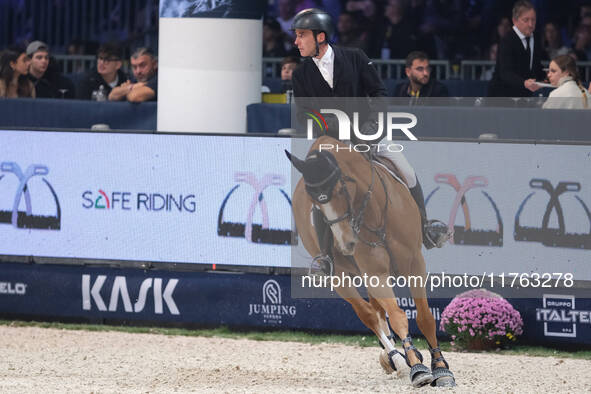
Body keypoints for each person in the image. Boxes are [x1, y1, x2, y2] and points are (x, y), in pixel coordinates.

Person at [291, 8, 449, 270]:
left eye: (301, 35)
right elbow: (304, 115)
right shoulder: (300, 75)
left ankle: (426, 228)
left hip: (367, 131)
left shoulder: (355, 57)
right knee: (321, 191)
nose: (297, 42)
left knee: (406, 170)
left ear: (320, 37)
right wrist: (332, 126)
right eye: (296, 36)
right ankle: (325, 258)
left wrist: (372, 122)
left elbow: (378, 92)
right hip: (332, 143)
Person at [488, 0, 546, 97]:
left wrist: (548, 77)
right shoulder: (507, 40)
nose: (531, 24)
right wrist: (524, 83)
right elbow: (505, 72)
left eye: (533, 20)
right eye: (526, 20)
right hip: (502, 96)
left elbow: (535, 66)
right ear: (515, 21)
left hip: (525, 95)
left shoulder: (535, 38)